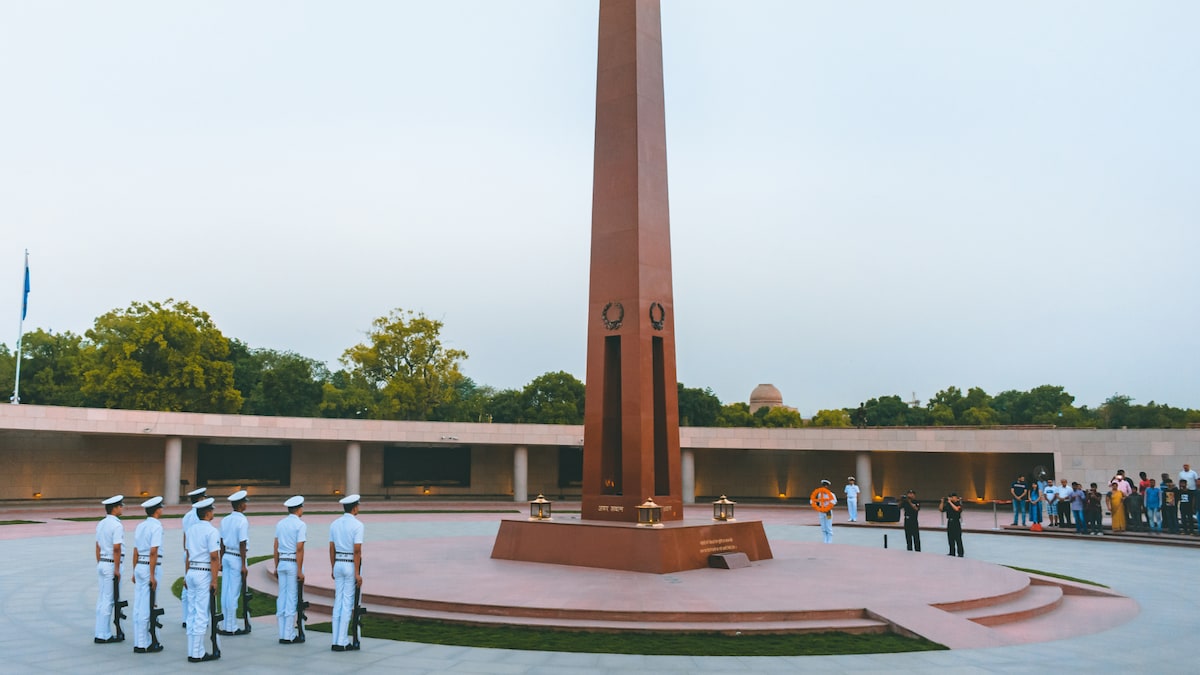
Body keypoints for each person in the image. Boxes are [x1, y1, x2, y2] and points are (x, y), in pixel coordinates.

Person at [184, 497, 221, 663]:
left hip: (191, 570)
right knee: (201, 614)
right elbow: (214, 557)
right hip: (203, 572)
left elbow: (187, 553)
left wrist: (186, 574)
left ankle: (192, 650)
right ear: (207, 513)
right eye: (212, 510)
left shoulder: (191, 530)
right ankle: (198, 653)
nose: (213, 512)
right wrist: (215, 580)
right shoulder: (212, 531)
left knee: (192, 613)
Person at [328, 494, 365, 652]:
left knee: (338, 603)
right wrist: (357, 573)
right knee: (347, 603)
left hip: (338, 563)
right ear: (354, 507)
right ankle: (342, 641)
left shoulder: (334, 524)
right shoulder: (358, 525)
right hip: (350, 564)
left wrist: (333, 567)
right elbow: (357, 551)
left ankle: (335, 638)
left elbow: (331, 548)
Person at [131, 496, 165, 653]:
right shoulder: (156, 527)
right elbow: (154, 551)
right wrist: (152, 575)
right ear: (157, 510)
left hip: (139, 566)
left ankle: (139, 640)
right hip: (150, 567)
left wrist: (134, 570)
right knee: (147, 605)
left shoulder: (140, 526)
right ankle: (144, 644)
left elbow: (135, 551)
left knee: (138, 605)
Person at [275, 495, 307, 643]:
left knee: (282, 596)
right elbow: (299, 548)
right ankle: (288, 635)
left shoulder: (280, 524)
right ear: (298, 509)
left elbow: (275, 546)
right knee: (291, 598)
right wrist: (300, 570)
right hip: (292, 562)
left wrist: (276, 565)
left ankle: (282, 632)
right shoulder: (300, 525)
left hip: (281, 562)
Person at [218, 490, 250, 635]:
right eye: (244, 502)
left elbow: (222, 542)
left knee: (225, 591)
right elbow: (242, 543)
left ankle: (225, 623)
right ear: (240, 505)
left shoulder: (225, 520)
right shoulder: (242, 520)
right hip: (237, 557)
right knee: (234, 593)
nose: (246, 505)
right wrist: (243, 564)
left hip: (226, 556)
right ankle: (231, 627)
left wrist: (221, 559)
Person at [94, 494, 125, 644]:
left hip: (102, 563)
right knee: (108, 600)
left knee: (102, 599)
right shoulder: (117, 525)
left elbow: (97, 546)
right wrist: (117, 569)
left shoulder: (101, 524)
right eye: (121, 506)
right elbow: (117, 548)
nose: (122, 508)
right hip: (111, 563)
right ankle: (104, 635)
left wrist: (100, 563)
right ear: (115, 508)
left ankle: (99, 631)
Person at [180, 486, 207, 628]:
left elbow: (185, 536)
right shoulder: (198, 516)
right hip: (197, 554)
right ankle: (198, 617)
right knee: (200, 588)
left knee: (187, 586)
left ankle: (186, 617)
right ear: (200, 499)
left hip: (188, 552)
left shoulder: (186, 516)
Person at [939, 492, 963, 557]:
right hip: (950, 522)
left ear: (955, 497)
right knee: (950, 538)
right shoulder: (948, 504)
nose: (952, 498)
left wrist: (950, 502)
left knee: (958, 538)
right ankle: (952, 552)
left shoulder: (958, 504)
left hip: (956, 522)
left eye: (953, 497)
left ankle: (960, 553)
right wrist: (942, 502)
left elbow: (957, 509)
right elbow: (941, 509)